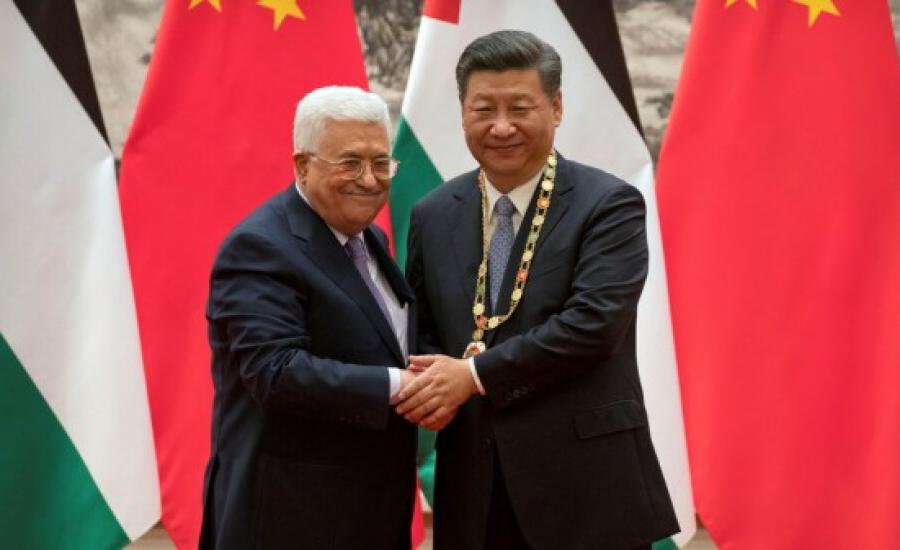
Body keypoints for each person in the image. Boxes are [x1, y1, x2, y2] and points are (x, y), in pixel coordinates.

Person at [397, 30, 679, 550]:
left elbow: (592, 326)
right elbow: (426, 333)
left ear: (556, 107)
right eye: (484, 109)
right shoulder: (432, 214)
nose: (502, 126)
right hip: (475, 493)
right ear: (463, 113)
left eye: (520, 108)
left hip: (586, 489)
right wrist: (427, 387)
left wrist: (473, 376)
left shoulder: (608, 204)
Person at [199, 86, 417, 550]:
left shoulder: (369, 238)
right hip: (288, 520)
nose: (370, 180)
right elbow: (275, 373)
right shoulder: (260, 247)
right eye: (350, 163)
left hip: (369, 512)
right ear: (302, 165)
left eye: (381, 163)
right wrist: (402, 385)